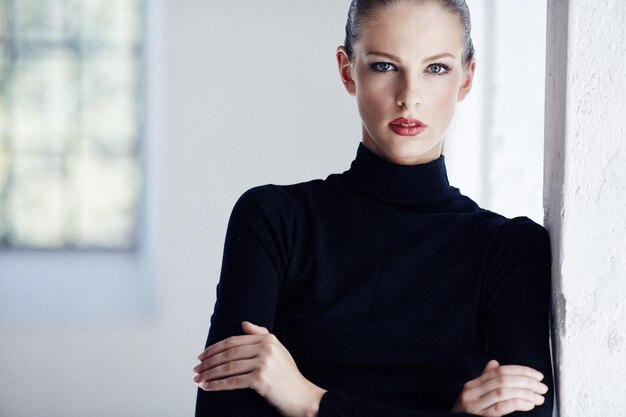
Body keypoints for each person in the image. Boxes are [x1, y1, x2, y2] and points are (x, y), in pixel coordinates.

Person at [193, 0, 554, 416]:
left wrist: (309, 401)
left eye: (436, 68)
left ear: (467, 77)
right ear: (348, 71)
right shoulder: (274, 219)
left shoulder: (509, 249)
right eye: (385, 66)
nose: (409, 98)